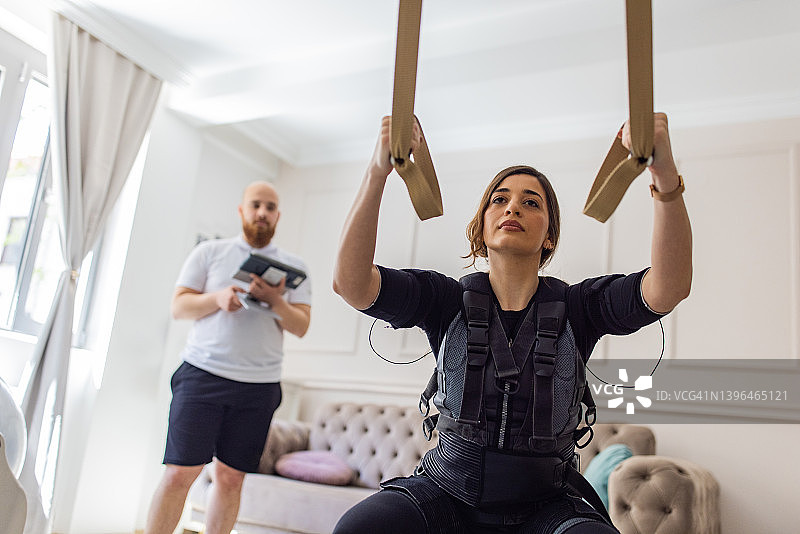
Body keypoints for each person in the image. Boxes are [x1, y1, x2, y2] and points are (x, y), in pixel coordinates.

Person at [331, 113, 691, 534]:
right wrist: (378, 172)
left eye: (531, 202)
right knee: (358, 528)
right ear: (482, 228)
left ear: (549, 236)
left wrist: (664, 176)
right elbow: (351, 283)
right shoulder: (445, 300)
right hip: (447, 492)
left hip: (545, 505)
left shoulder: (579, 306)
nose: (513, 207)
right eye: (499, 200)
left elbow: (668, 287)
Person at [145, 181, 312, 534]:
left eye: (270, 207)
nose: (262, 213)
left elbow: (301, 326)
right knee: (179, 473)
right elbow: (179, 306)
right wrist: (218, 299)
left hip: (259, 387)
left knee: (231, 477)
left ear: (278, 215)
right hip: (202, 376)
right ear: (242, 210)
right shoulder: (209, 253)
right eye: (256, 205)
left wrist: (276, 301)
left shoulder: (293, 267)